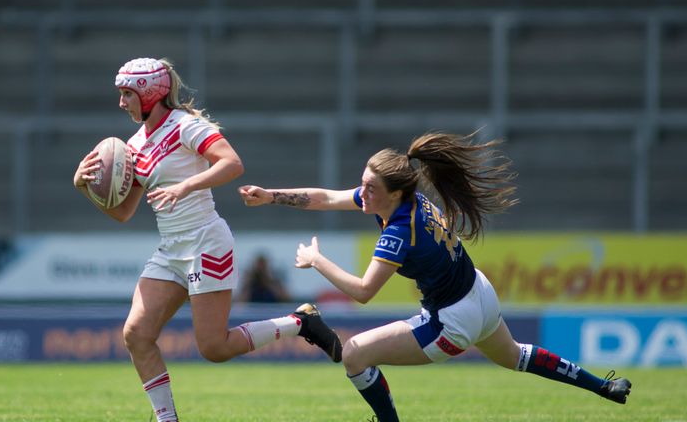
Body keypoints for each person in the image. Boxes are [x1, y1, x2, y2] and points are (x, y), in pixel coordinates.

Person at [239, 132, 632, 421]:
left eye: (369, 188)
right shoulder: (404, 198)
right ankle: (604, 387)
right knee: (515, 356)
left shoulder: (398, 230)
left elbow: (363, 293)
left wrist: (316, 260)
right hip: (479, 292)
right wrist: (271, 195)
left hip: (452, 322)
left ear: (392, 193)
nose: (361, 193)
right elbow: (325, 197)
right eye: (362, 183)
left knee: (356, 354)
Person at [72, 57, 342, 422]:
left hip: (205, 243)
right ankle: (167, 419)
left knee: (214, 347)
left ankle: (300, 323)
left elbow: (232, 163)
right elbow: (122, 213)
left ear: (150, 93)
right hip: (171, 250)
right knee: (136, 334)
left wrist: (184, 186)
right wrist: (83, 186)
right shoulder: (135, 144)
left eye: (127, 94)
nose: (122, 103)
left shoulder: (186, 126)